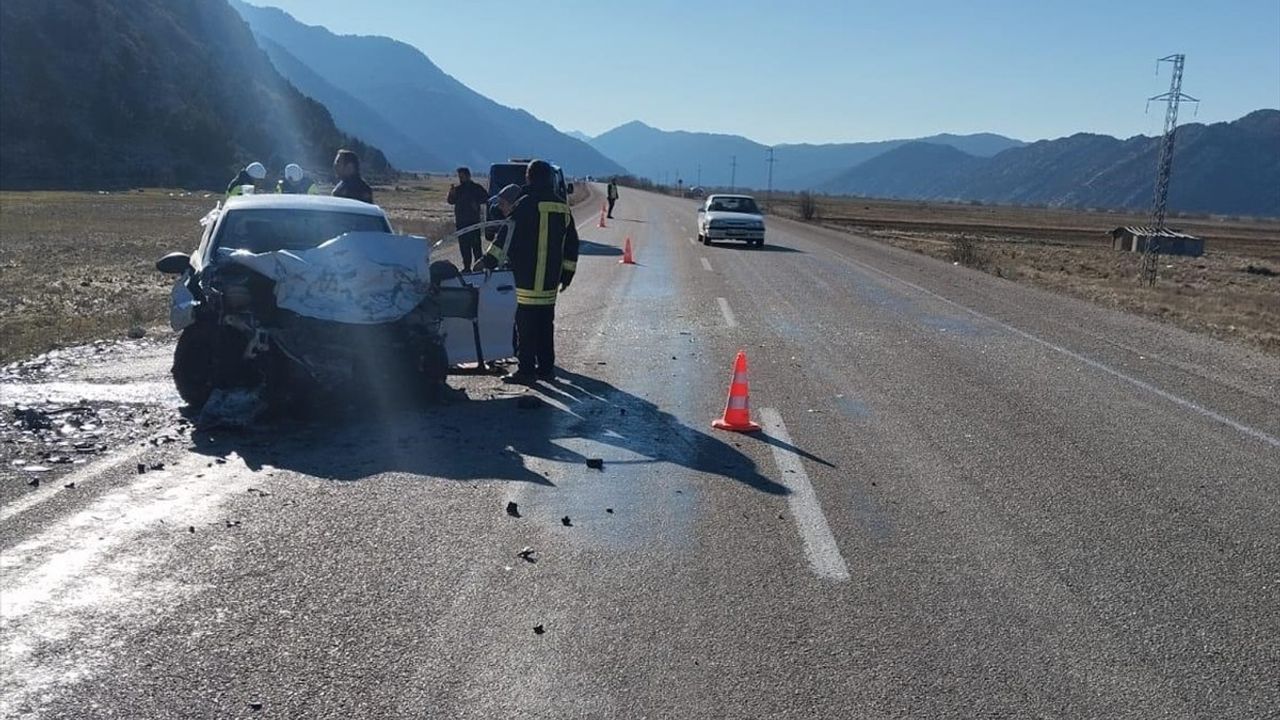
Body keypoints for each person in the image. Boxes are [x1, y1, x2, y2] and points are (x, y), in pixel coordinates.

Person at [481, 161, 579, 384]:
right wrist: (567, 274)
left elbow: (505, 238)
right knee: (546, 325)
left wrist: (487, 261)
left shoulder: (524, 205)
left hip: (526, 278)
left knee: (525, 326)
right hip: (550, 280)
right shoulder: (562, 207)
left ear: (529, 178)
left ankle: (526, 371)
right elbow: (571, 244)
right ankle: (546, 369)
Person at [446, 166, 490, 272]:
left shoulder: (476, 188)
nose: (461, 179)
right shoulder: (458, 189)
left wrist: (477, 202)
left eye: (462, 176)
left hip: (473, 222)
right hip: (461, 222)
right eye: (459, 177)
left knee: (476, 246)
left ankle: (479, 267)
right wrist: (451, 194)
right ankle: (466, 267)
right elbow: (451, 201)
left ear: (468, 176)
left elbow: (486, 197)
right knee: (464, 247)